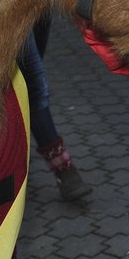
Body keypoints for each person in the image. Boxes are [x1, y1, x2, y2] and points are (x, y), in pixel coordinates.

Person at [18, 17, 92, 201]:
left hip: (39, 4)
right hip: (0, 7)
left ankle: (15, 153)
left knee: (32, 72)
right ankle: (63, 168)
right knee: (33, 84)